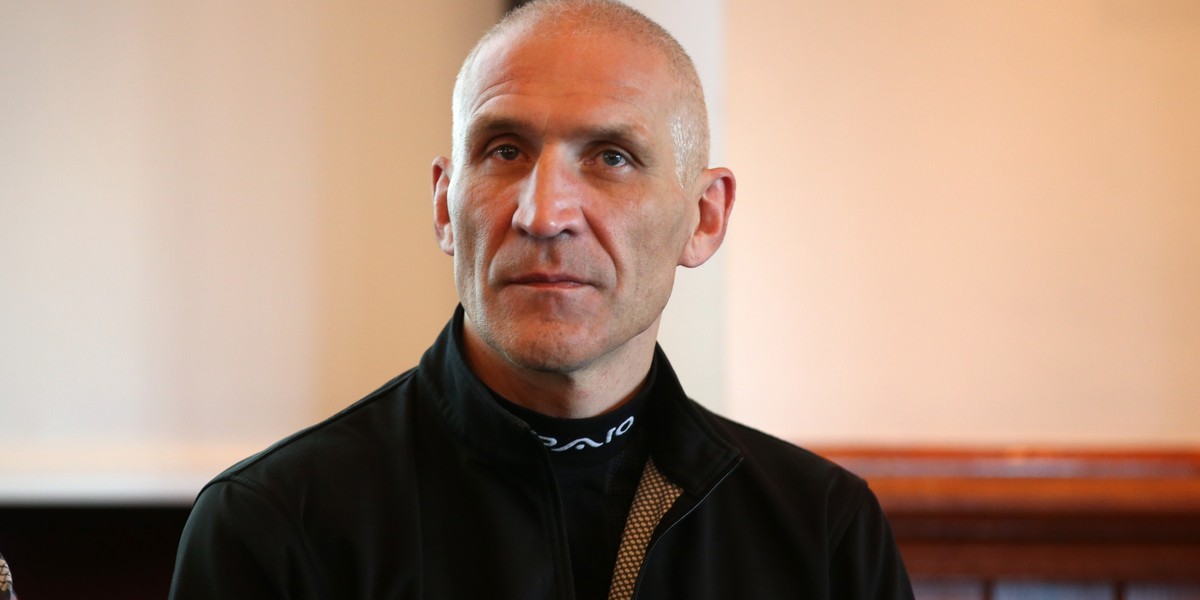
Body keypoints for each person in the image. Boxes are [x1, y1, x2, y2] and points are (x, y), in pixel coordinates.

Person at [169, 1, 914, 598]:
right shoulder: (274, 526)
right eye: (505, 151)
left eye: (612, 157)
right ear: (445, 206)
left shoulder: (822, 533)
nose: (543, 213)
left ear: (705, 218)